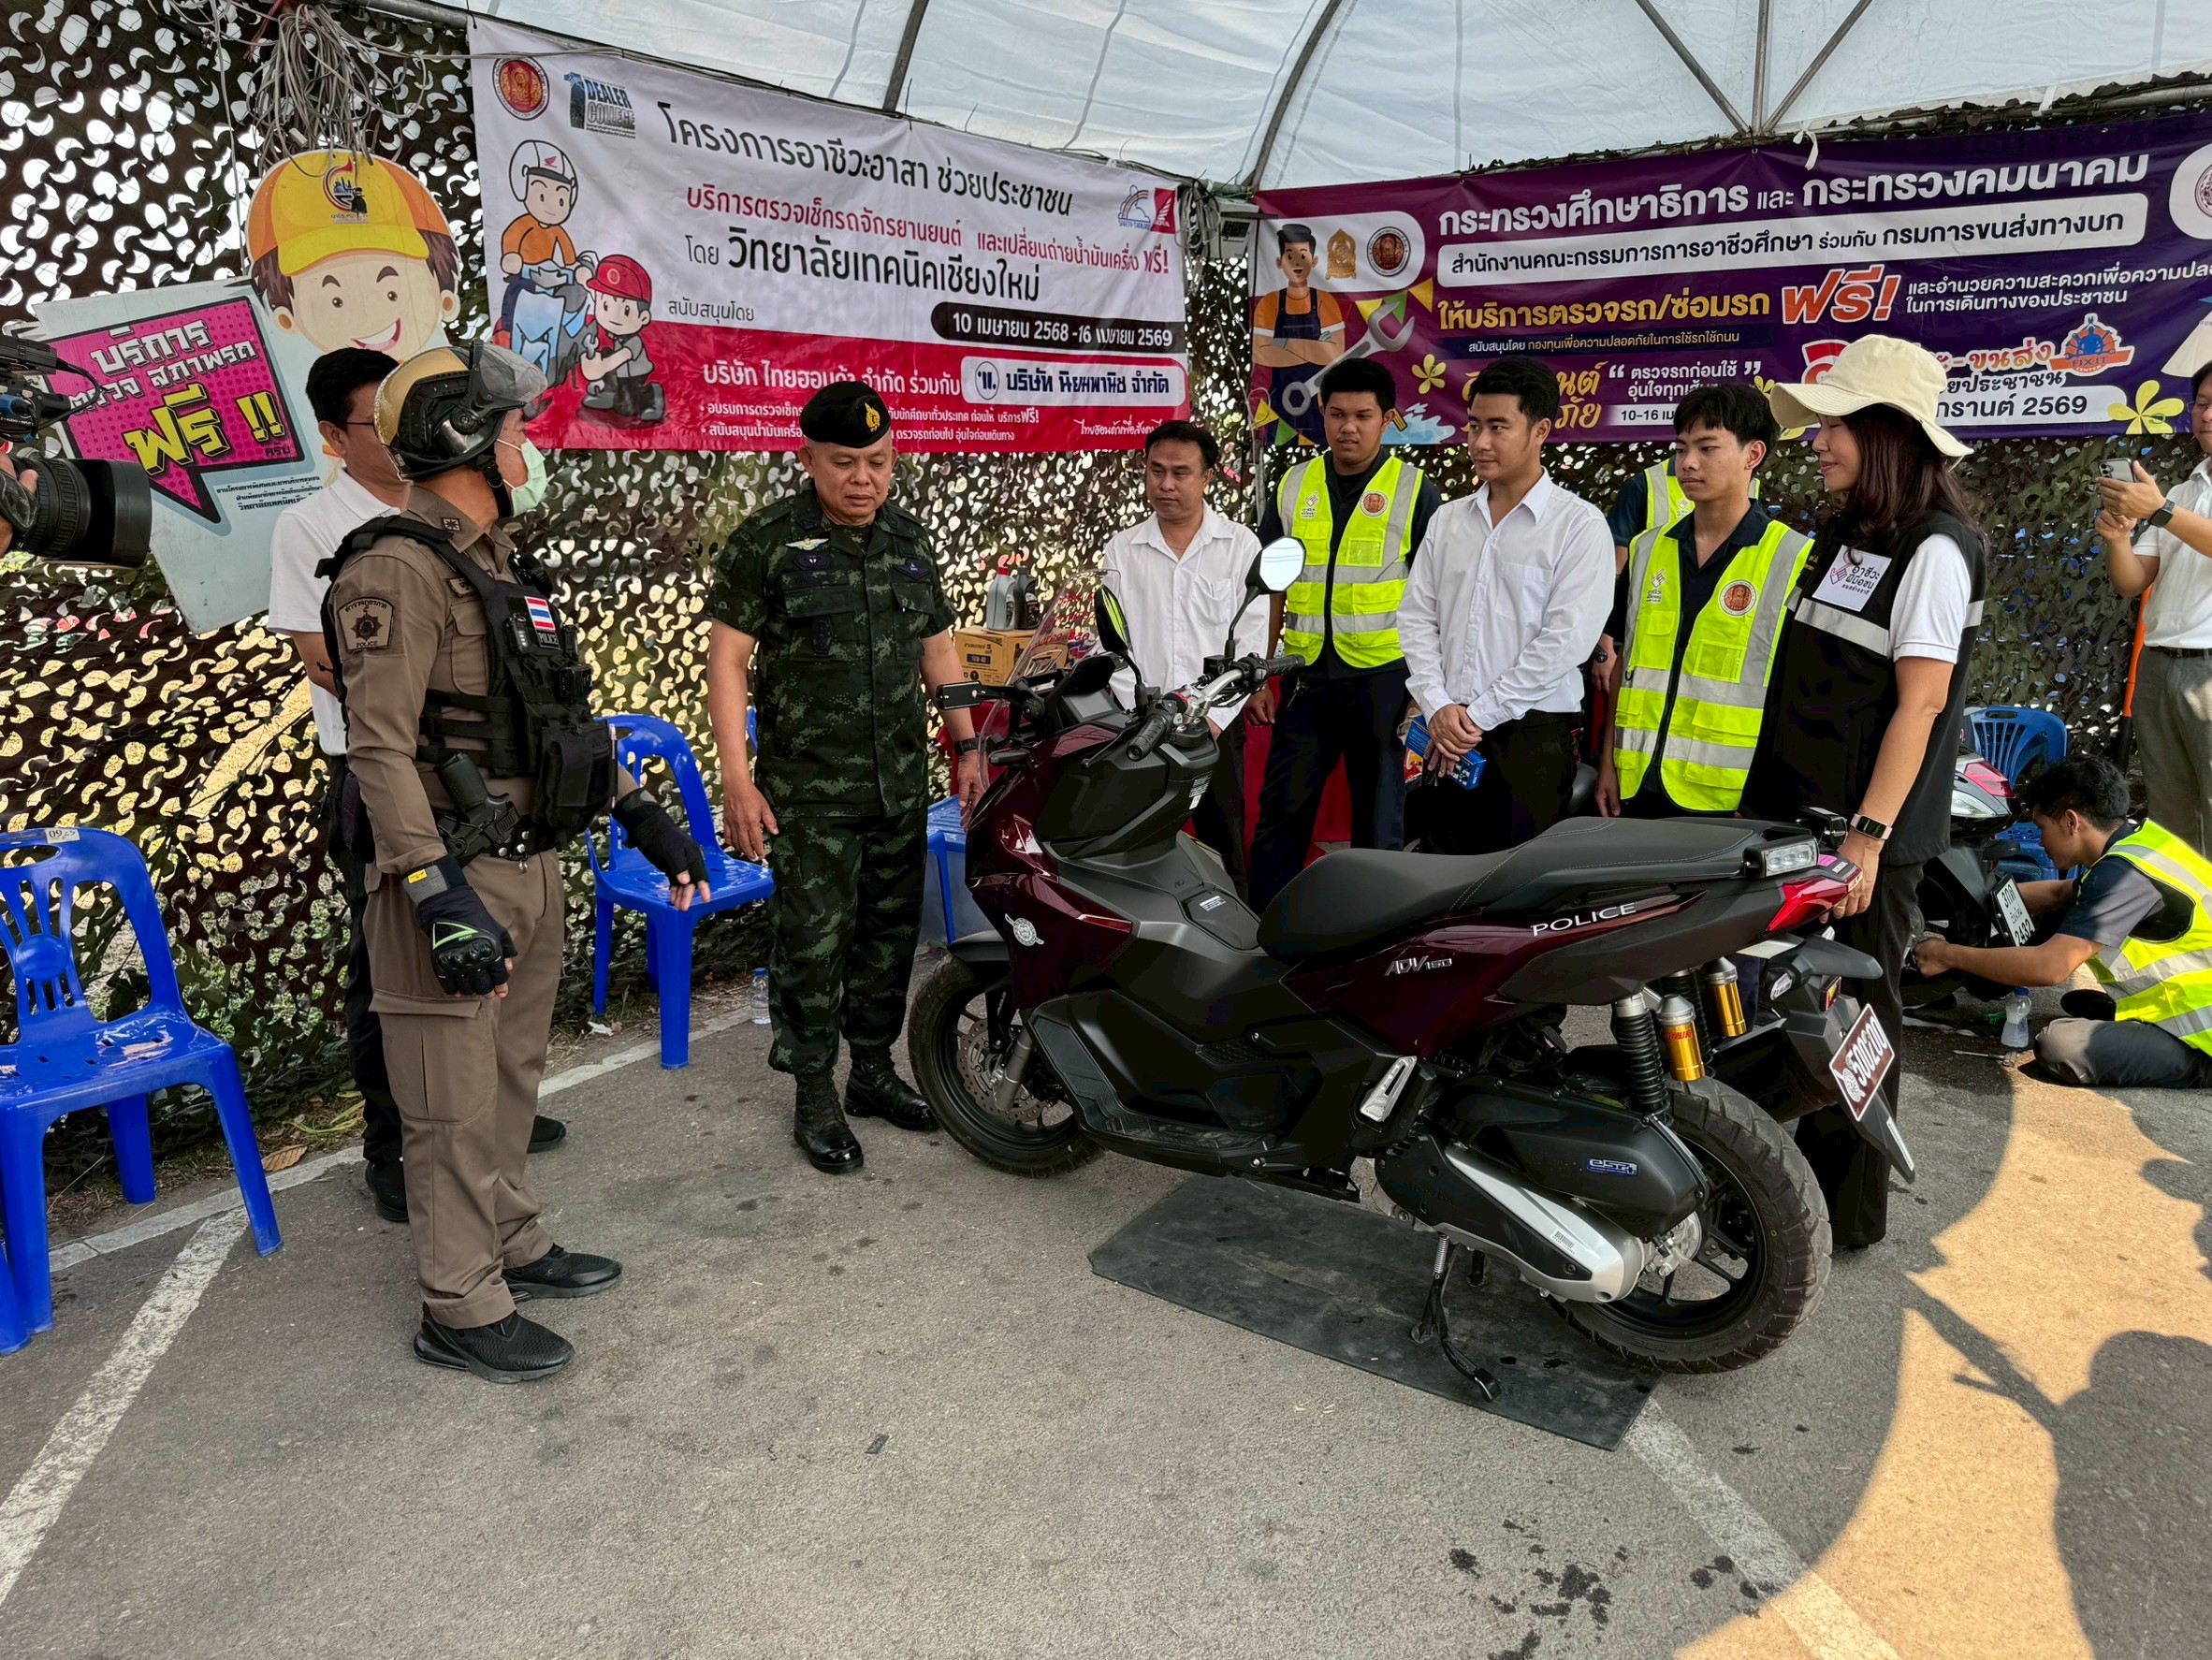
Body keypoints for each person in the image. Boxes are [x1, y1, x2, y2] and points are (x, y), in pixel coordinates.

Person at [324, 340, 709, 1382]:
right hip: (451, 875)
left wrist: (643, 814)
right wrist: (433, 891)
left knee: (508, 1080)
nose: (526, 446)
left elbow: (555, 724)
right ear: (466, 441)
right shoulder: (392, 568)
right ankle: (458, 1302)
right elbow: (379, 750)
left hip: (529, 862)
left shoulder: (499, 566)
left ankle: (512, 1239)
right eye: (513, 429)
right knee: (448, 1103)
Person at [1742, 334, 1986, 1249]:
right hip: (1800, 821)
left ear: (1888, 432)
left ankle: (1845, 1217)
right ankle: (1773, 1188)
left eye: (1837, 423)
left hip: (1863, 839)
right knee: (1792, 1009)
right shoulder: (1852, 532)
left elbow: (1920, 705)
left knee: (1855, 1022)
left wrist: (1867, 838)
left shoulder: (1939, 550)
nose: (1819, 440)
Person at [705, 381, 985, 1175]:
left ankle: (870, 1072)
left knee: (887, 940)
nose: (864, 478)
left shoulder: (908, 539)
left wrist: (967, 746)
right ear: (808, 460)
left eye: (879, 462)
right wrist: (738, 781)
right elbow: (727, 662)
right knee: (813, 945)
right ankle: (813, 1093)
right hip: (809, 796)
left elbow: (938, 649)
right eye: (844, 463)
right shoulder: (768, 542)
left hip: (897, 786)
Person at [1246, 357, 1441, 910]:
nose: (1348, 428)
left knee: (1379, 819)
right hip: (1305, 678)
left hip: (1384, 682)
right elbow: (1272, 586)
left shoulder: (1415, 491)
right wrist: (1260, 672)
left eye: (1362, 416)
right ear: (1321, 414)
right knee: (1283, 809)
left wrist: (1426, 690)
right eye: (1336, 415)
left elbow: (1437, 598)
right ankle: (1264, 926)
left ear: (1387, 419)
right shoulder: (1293, 485)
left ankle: (1372, 927)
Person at [1398, 355, 1612, 853]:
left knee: (1515, 882)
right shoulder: (1448, 521)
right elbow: (1416, 619)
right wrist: (1438, 704)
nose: (1479, 442)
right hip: (1446, 728)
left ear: (1541, 431)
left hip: (1529, 738)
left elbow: (1566, 643)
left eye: (1498, 427)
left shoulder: (1578, 526)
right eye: (1474, 426)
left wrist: (1476, 716)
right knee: (1441, 871)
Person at [1914, 756, 2212, 1089]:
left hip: (2202, 1039)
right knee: (2075, 986)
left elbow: (2050, 968)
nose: (2041, 840)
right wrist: (1971, 897)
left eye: (2042, 828)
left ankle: (2193, 1064)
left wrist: (1947, 955)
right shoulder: (2140, 845)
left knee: (2060, 1045)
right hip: (2191, 1004)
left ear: (2071, 821)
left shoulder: (2123, 876)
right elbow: (2059, 892)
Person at [1598, 384, 1812, 819]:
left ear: (1753, 454)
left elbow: (1795, 696)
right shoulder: (1646, 549)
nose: (1688, 463)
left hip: (1728, 798)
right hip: (1636, 784)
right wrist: (1607, 760)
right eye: (1681, 448)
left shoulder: (1793, 558)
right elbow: (1626, 663)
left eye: (1707, 447)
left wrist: (1765, 797)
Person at [1098, 419, 1265, 896]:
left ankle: (1239, 932)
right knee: (1132, 847)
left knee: (1223, 846)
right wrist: (1136, 715)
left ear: (1208, 477)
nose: (1165, 484)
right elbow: (1110, 643)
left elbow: (1251, 642)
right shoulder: (1123, 549)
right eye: (1156, 471)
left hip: (1212, 728)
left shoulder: (1239, 545)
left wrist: (1210, 721)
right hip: (1140, 728)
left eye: (1180, 473)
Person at [2096, 358, 2212, 857]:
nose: (2207, 415)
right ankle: (2186, 909)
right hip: (2160, 664)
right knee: (2171, 817)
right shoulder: (2185, 491)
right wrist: (2119, 537)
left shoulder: (2170, 503)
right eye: (2202, 403)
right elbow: (2131, 581)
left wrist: (2161, 510)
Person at [1250, 223, 1346, 447]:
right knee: (1279, 449)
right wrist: (1316, 348)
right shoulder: (1269, 303)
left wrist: (1282, 343)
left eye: (1303, 256)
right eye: (1290, 256)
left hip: (1320, 402)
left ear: (1314, 261)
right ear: (1278, 262)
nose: (1296, 263)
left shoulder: (1326, 301)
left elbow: (1335, 353)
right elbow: (1261, 353)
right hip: (1279, 404)